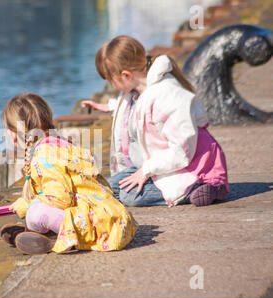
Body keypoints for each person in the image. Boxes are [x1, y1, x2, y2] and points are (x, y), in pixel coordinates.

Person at [84, 35, 229, 207]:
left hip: (192, 166)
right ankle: (184, 187)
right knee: (108, 187)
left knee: (129, 195)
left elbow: (182, 150)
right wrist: (110, 107)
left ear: (126, 75)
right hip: (157, 163)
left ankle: (204, 186)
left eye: (110, 80)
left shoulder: (168, 96)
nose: (111, 85)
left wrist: (145, 171)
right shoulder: (139, 90)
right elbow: (138, 110)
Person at [0, 93, 138, 255]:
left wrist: (26, 205)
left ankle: (57, 237)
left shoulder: (45, 155)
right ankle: (39, 234)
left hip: (102, 228)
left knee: (34, 213)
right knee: (35, 210)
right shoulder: (60, 144)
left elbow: (60, 198)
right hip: (109, 219)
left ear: (13, 135)